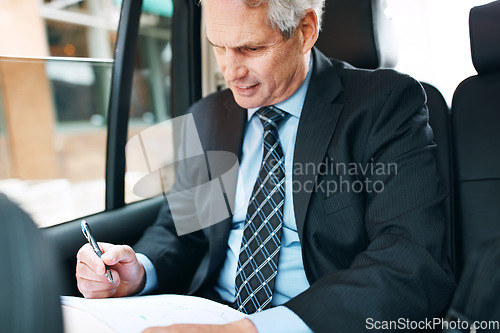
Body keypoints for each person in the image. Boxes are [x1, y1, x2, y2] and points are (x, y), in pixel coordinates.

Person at [75, 0, 455, 332]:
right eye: (218, 47)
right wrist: (139, 270)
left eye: (250, 47)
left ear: (305, 31)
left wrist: (256, 329)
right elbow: (183, 231)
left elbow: (409, 259)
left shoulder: (383, 105)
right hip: (207, 314)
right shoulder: (207, 116)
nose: (230, 71)